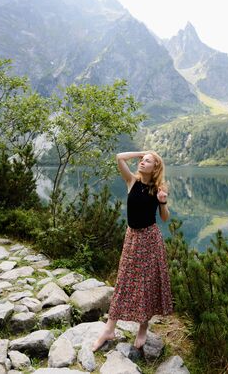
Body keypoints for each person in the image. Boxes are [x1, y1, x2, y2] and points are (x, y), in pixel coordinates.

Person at [92, 150, 173, 352]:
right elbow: (118, 157)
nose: (143, 163)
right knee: (124, 280)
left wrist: (163, 202)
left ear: (156, 167)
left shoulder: (158, 188)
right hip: (132, 238)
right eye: (142, 161)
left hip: (150, 239)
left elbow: (164, 218)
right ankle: (109, 328)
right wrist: (142, 152)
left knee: (147, 283)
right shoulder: (131, 181)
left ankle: (143, 328)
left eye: (148, 161)